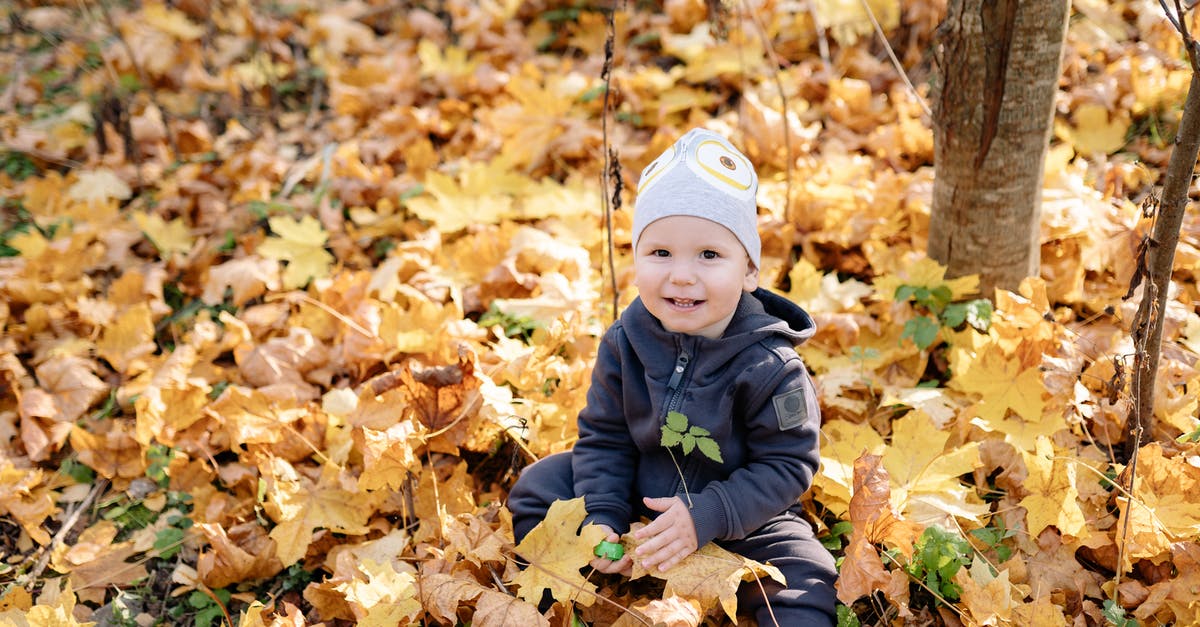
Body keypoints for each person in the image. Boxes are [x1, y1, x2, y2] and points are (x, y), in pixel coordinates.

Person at [507, 127, 837, 625]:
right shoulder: (625, 340)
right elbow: (606, 436)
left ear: (749, 270)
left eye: (709, 255)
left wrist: (708, 514)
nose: (682, 274)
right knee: (539, 487)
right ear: (636, 259)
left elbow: (788, 466)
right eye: (660, 253)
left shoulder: (772, 366)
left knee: (805, 573)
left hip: (737, 514)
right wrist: (603, 514)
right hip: (641, 490)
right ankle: (564, 591)